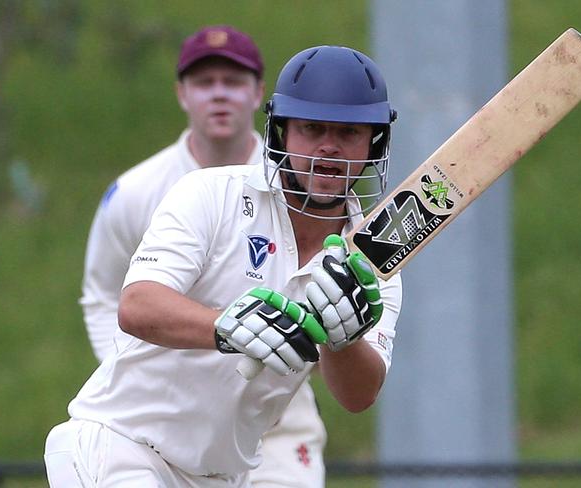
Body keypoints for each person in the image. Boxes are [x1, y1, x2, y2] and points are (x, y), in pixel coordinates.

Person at [45, 44, 402, 487]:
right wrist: (226, 327)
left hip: (220, 475)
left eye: (349, 132)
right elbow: (137, 306)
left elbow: (358, 395)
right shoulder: (211, 194)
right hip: (121, 444)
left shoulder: (370, 258)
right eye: (312, 128)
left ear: (374, 141)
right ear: (281, 134)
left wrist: (344, 338)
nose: (328, 147)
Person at [76, 26, 327, 487]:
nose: (219, 96)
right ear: (181, 94)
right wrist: (130, 365)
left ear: (257, 94)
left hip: (277, 410)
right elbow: (103, 296)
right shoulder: (137, 192)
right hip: (169, 411)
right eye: (204, 83)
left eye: (232, 83)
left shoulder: (306, 184)